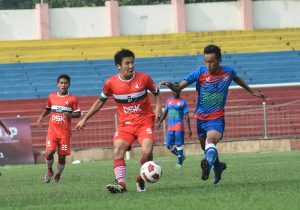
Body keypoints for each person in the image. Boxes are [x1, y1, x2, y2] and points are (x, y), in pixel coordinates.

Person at [158, 44, 266, 184]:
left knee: (211, 141)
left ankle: (208, 167)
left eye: (212, 61)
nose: (208, 65)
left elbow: (237, 78)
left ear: (219, 60)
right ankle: (218, 167)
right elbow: (179, 87)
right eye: (206, 61)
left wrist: (251, 91)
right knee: (206, 148)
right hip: (201, 118)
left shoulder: (228, 72)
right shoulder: (200, 72)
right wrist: (170, 85)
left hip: (217, 118)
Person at [76, 49, 162, 194]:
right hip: (125, 125)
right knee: (118, 150)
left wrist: (158, 108)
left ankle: (140, 179)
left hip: (144, 122)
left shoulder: (144, 78)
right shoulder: (111, 83)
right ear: (118, 66)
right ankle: (121, 185)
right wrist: (85, 118)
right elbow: (99, 102)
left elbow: (156, 92)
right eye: (127, 63)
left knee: (147, 151)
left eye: (132, 62)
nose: (131, 66)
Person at [37, 74, 81, 183]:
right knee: (49, 152)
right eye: (61, 83)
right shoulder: (51, 97)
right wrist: (41, 117)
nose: (63, 85)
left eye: (66, 83)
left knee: (62, 156)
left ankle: (58, 174)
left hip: (64, 133)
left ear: (69, 85)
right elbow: (48, 108)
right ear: (57, 85)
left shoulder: (73, 99)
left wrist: (70, 115)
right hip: (52, 131)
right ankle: (49, 170)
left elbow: (78, 114)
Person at [157, 89, 192, 169]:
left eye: (177, 90)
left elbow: (186, 116)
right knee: (168, 145)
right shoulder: (169, 101)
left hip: (179, 126)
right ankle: (181, 156)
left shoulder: (183, 102)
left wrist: (189, 129)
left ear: (180, 91)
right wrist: (160, 122)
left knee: (178, 144)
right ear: (173, 91)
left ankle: (179, 163)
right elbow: (165, 113)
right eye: (175, 90)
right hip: (170, 127)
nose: (176, 92)